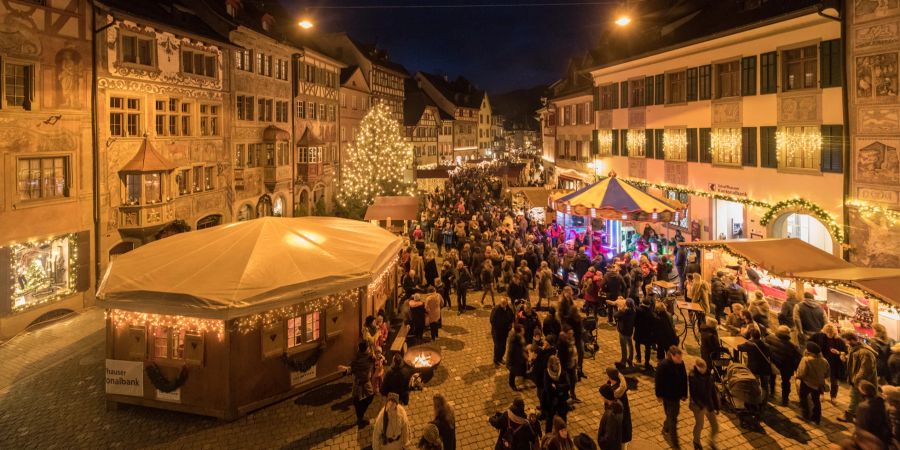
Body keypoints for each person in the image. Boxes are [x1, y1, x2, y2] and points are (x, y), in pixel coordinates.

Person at [842, 332, 879, 423]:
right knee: (859, 398)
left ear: (852, 340)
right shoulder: (854, 348)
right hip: (857, 379)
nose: (845, 343)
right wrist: (845, 358)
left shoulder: (865, 352)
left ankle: (849, 416)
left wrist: (856, 380)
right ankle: (859, 415)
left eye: (846, 341)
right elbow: (855, 361)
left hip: (861, 381)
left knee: (854, 397)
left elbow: (865, 369)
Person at [656, 346, 688, 448]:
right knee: (673, 419)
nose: (680, 359)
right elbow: (658, 381)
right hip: (667, 396)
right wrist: (659, 395)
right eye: (678, 358)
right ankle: (676, 445)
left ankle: (666, 426)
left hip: (676, 396)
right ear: (672, 356)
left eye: (681, 357)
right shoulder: (663, 365)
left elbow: (684, 379)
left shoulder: (680, 364)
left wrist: (684, 393)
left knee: (672, 415)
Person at [765, 325, 803, 405]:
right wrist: (796, 370)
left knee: (772, 377)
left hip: (773, 363)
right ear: (788, 334)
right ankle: (784, 400)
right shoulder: (792, 346)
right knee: (786, 382)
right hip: (786, 367)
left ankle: (772, 392)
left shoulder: (769, 338)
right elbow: (797, 359)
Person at [811, 323, 848, 403]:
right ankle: (821, 393)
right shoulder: (819, 336)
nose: (829, 335)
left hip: (834, 363)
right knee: (821, 379)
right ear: (824, 331)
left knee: (834, 381)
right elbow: (810, 342)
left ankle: (833, 396)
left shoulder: (839, 340)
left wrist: (838, 352)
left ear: (834, 332)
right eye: (828, 333)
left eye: (831, 333)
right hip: (822, 362)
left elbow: (845, 351)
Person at [688, 359, 719, 450]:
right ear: (697, 368)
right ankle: (696, 441)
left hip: (708, 403)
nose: (703, 370)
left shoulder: (709, 375)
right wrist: (702, 407)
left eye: (704, 368)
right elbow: (694, 394)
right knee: (700, 424)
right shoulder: (693, 376)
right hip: (698, 405)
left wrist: (716, 406)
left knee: (715, 426)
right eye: (701, 369)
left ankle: (711, 441)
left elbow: (713, 391)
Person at [797, 342, 830, 424]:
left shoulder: (806, 359)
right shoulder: (824, 361)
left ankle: (806, 416)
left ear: (809, 351)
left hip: (807, 383)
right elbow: (827, 374)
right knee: (816, 400)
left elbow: (801, 373)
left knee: (803, 398)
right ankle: (817, 418)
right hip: (818, 384)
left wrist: (797, 377)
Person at [346, 342, 376, 428]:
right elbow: (373, 358)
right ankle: (360, 418)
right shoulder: (369, 357)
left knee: (358, 400)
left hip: (361, 382)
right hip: (363, 383)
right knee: (365, 398)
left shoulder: (357, 357)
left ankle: (360, 416)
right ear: (366, 349)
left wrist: (348, 370)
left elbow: (351, 368)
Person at [737, 328, 773, 397]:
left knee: (754, 384)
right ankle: (764, 401)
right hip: (765, 368)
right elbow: (770, 354)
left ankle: (756, 399)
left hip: (754, 368)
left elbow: (739, 347)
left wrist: (748, 341)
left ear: (751, 336)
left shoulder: (749, 345)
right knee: (765, 386)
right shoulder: (766, 345)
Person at [855, 380, 892, 447]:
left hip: (872, 441)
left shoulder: (863, 407)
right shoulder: (881, 403)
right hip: (883, 436)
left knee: (846, 443)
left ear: (863, 393)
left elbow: (862, 428)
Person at [603, 368, 632, 447]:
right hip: (619, 420)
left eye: (609, 376)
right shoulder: (614, 384)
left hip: (620, 421)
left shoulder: (617, 393)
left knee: (621, 441)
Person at [542, 355, 571, 432]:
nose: (558, 365)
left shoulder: (562, 372)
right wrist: (560, 390)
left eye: (558, 363)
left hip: (561, 401)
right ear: (551, 365)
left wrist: (557, 387)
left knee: (563, 418)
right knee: (549, 420)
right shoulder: (547, 373)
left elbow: (568, 385)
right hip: (551, 401)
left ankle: (563, 433)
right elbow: (547, 389)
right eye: (556, 363)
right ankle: (548, 435)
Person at [633, 296, 657, 371]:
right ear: (649, 305)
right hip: (647, 334)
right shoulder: (651, 314)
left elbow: (634, 321)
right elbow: (653, 325)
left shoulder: (637, 311)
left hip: (639, 332)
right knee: (647, 348)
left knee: (637, 344)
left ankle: (639, 357)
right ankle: (646, 362)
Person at [597, 384, 624, 450]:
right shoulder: (619, 404)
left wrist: (601, 440)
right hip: (617, 441)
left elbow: (609, 436)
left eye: (602, 395)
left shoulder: (611, 415)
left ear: (605, 397)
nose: (601, 397)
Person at [491, 299, 516, 366]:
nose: (504, 306)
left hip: (505, 332)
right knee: (497, 346)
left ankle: (500, 358)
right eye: (503, 304)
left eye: (505, 304)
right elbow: (492, 320)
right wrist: (500, 325)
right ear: (500, 304)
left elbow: (512, 316)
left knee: (503, 346)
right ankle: (496, 359)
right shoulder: (496, 310)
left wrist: (510, 324)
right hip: (497, 332)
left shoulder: (508, 308)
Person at [614, 298, 636, 367]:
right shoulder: (634, 311)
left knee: (623, 347)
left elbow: (615, 315)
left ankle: (623, 362)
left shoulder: (624, 311)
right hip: (630, 330)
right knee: (630, 345)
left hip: (623, 331)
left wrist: (621, 309)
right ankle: (630, 359)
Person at [507, 324, 528, 391]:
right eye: (522, 330)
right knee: (513, 372)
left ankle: (523, 381)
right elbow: (511, 352)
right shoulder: (514, 341)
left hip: (520, 359)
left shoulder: (520, 337)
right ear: (519, 332)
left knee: (523, 368)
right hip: (514, 360)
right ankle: (512, 384)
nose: (524, 331)